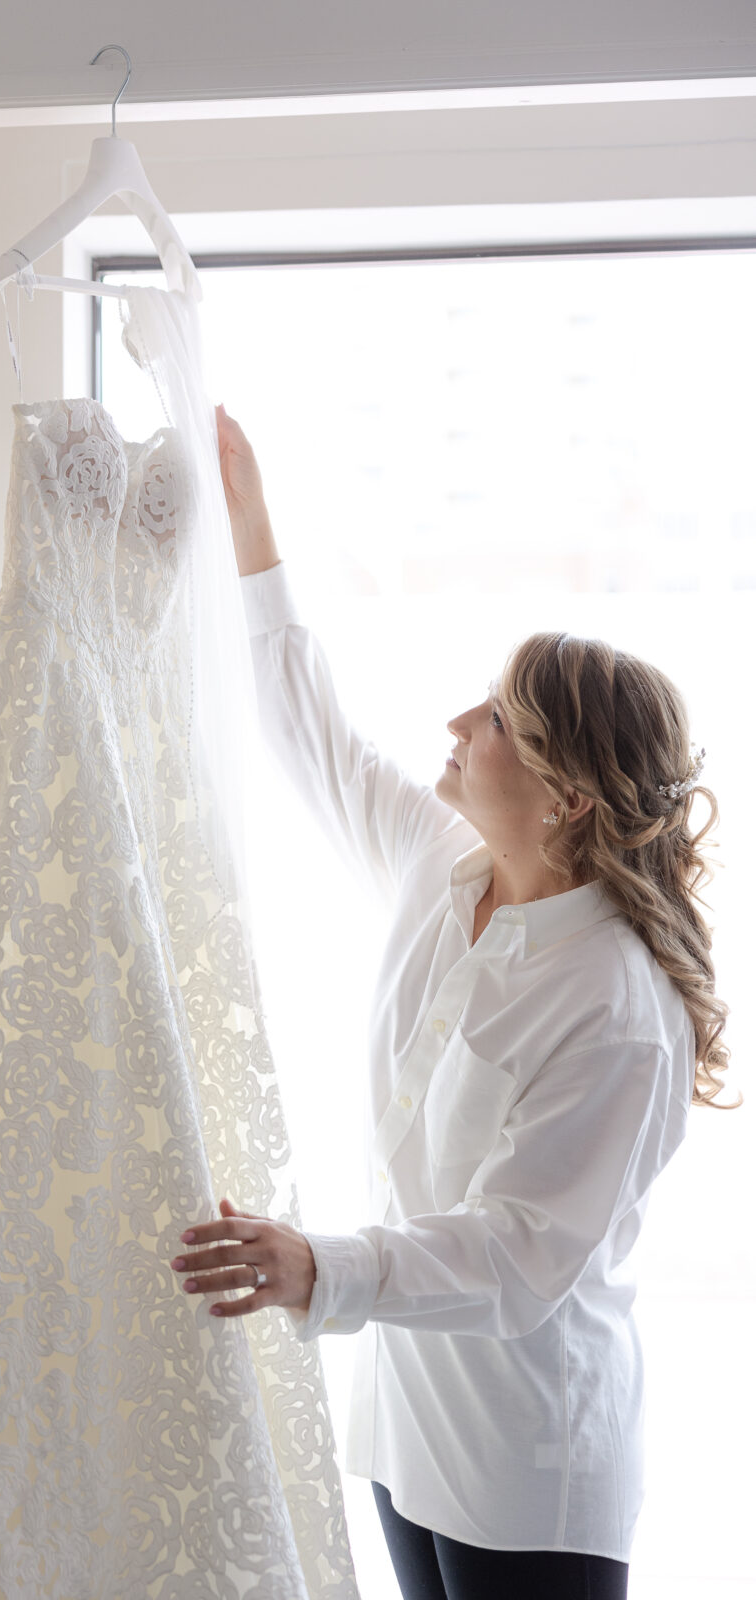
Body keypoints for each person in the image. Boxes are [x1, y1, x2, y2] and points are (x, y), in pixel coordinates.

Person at [170, 404, 739, 1600]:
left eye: (491, 719)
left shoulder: (616, 1008)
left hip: (531, 1473)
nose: (454, 725)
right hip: (404, 1432)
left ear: (565, 794)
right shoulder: (443, 870)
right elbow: (308, 734)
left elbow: (518, 1251)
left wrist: (314, 1265)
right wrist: (251, 525)